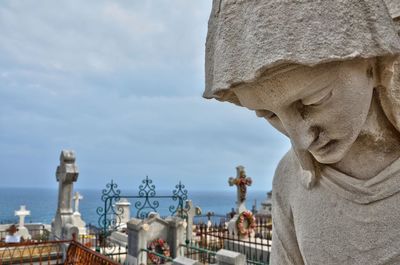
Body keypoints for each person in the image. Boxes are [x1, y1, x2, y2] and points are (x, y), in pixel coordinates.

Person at [204, 0, 400, 264]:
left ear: (374, 64)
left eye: (313, 101)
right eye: (270, 115)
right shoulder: (289, 177)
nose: (300, 139)